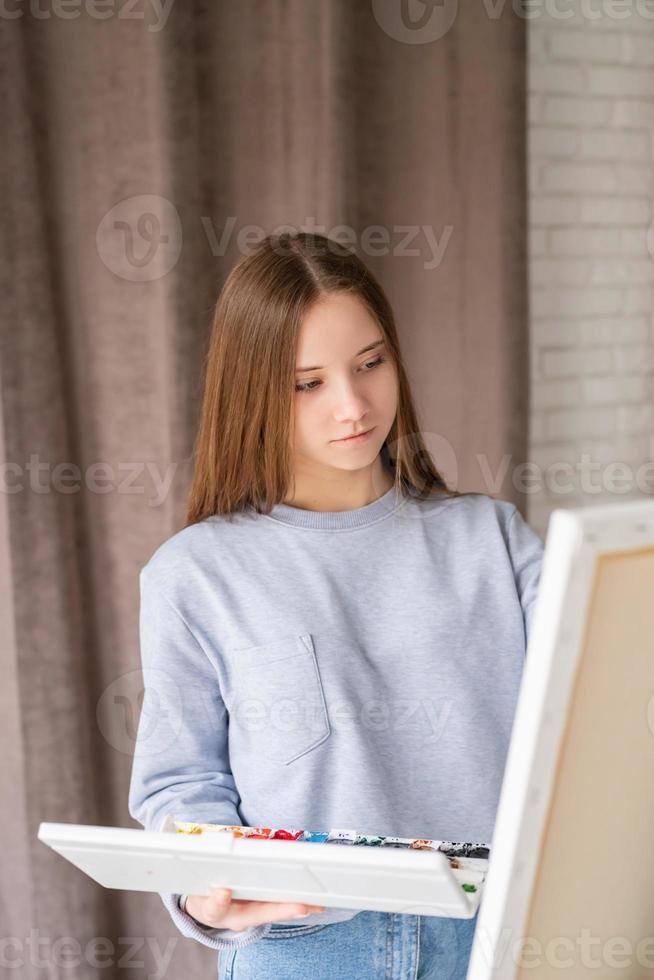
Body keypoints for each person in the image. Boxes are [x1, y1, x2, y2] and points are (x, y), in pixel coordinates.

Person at [128, 231, 545, 979]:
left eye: (370, 364)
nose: (352, 405)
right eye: (306, 382)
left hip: (502, 931)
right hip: (308, 949)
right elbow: (180, 784)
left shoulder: (493, 540)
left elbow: (594, 708)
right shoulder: (193, 576)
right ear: (253, 389)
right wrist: (206, 885)